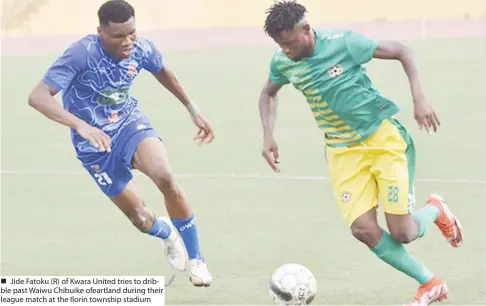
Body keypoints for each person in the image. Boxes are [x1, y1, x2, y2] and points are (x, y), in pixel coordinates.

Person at [258, 1, 463, 304]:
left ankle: (435, 209)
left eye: (289, 43)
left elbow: (403, 51)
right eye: (279, 45)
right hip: (342, 152)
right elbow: (268, 93)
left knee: (403, 232)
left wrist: (420, 99)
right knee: (363, 229)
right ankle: (430, 283)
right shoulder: (283, 61)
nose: (285, 51)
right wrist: (268, 134)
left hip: (382, 141)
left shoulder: (345, 43)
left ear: (305, 30)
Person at [28, 0, 213, 287]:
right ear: (100, 31)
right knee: (140, 218)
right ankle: (164, 232)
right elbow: (38, 96)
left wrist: (193, 110)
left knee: (164, 176)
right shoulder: (82, 53)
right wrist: (80, 125)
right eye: (118, 36)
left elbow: (163, 71)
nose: (127, 42)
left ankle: (197, 259)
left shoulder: (141, 48)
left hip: (128, 124)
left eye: (132, 33)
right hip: (94, 145)